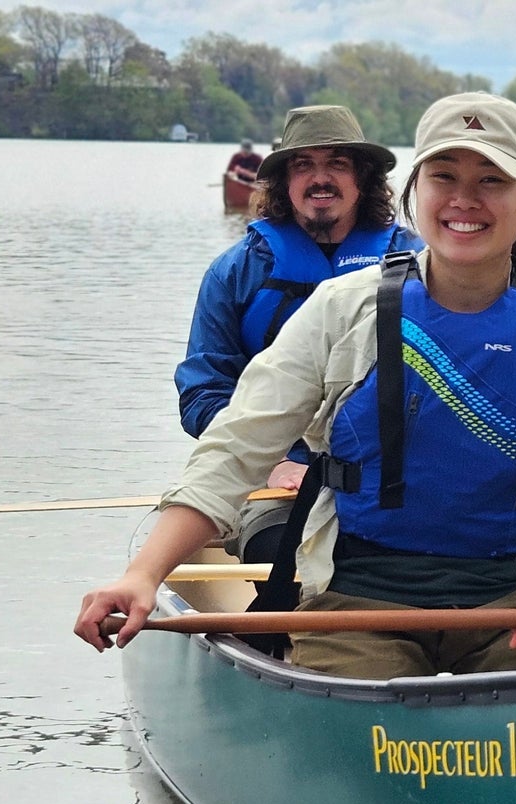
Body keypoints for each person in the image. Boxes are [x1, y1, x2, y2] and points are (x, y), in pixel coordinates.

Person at [77, 92, 516, 680]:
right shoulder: (341, 308)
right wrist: (143, 574)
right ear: (416, 191)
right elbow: (234, 452)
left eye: (492, 180)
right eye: (444, 176)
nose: (464, 199)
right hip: (358, 595)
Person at [178, 105, 422, 562]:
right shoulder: (235, 272)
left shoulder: (419, 264)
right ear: (284, 182)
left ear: (364, 178)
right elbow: (202, 392)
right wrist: (270, 460)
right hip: (276, 475)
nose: (320, 178)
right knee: (275, 545)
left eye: (337, 164)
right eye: (303, 165)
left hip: (393, 475)